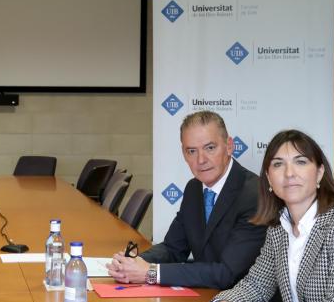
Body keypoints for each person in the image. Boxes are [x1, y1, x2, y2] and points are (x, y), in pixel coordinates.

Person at [202, 130, 334, 302]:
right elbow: (257, 285)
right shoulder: (279, 228)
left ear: (319, 172)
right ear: (269, 177)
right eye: (278, 164)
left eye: (300, 162)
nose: (289, 173)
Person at [107, 110, 266, 289]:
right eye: (191, 151)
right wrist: (133, 263)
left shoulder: (255, 196)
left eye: (210, 148)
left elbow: (227, 273)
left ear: (229, 146)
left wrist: (150, 272)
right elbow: (173, 248)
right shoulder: (194, 188)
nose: (201, 160)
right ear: (184, 154)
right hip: (203, 294)